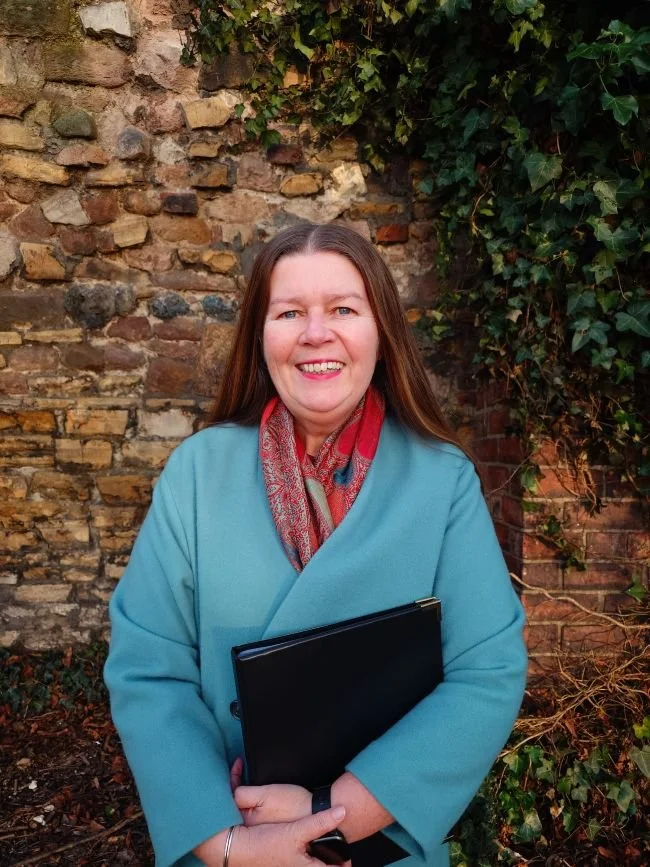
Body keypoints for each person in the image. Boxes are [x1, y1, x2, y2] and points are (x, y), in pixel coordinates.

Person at [104, 222, 527, 867]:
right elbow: (149, 670)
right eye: (290, 312)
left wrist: (333, 812)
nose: (315, 333)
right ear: (261, 337)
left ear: (381, 333)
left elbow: (487, 673)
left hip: (379, 846)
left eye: (343, 310)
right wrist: (229, 844)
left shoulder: (443, 481)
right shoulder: (197, 472)